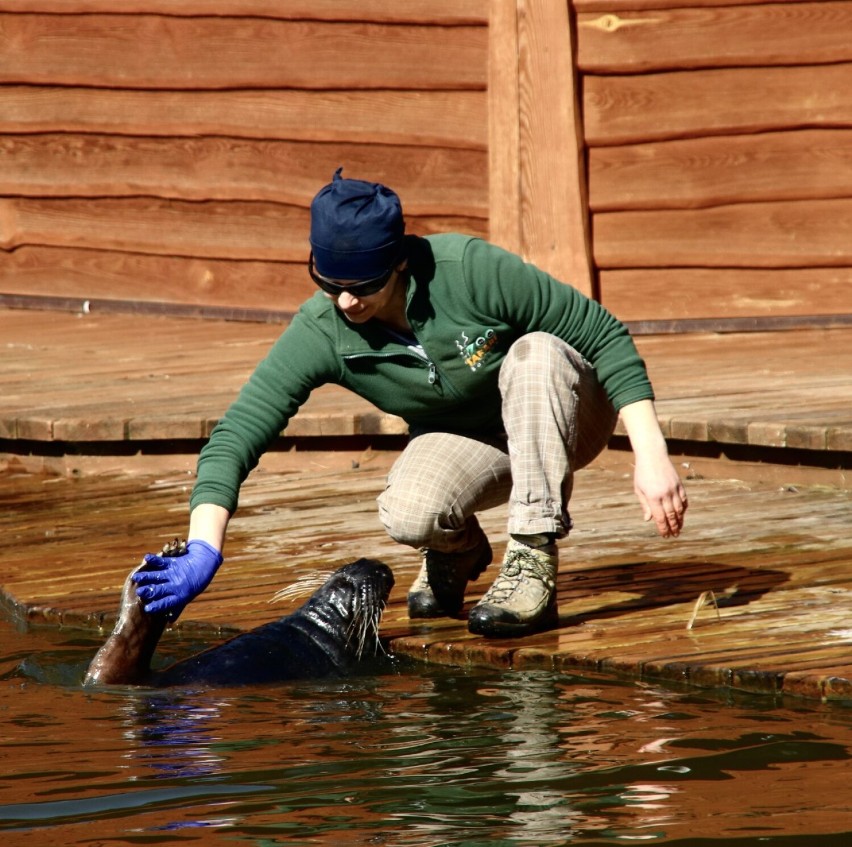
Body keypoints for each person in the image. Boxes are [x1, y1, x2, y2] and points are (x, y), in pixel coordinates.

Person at [132, 168, 688, 637]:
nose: (346, 300)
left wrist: (651, 454)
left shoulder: (468, 269)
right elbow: (239, 431)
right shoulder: (323, 330)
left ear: (397, 261)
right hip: (478, 441)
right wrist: (205, 547)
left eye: (363, 283)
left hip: (566, 415)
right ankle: (457, 552)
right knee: (409, 511)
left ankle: (532, 556)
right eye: (328, 282)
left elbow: (602, 333)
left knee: (536, 352)